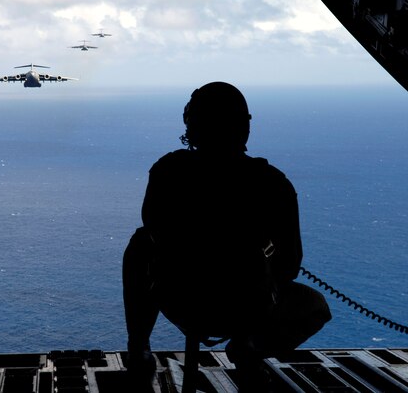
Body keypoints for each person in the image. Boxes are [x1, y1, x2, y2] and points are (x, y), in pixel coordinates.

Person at [122, 81, 332, 392]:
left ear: (191, 124)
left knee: (139, 245)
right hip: (246, 306)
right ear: (244, 128)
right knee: (315, 306)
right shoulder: (273, 183)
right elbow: (290, 264)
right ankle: (249, 348)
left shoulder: (168, 171)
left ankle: (139, 348)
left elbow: (153, 230)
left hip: (180, 298)